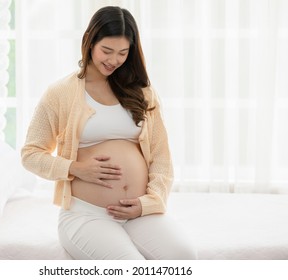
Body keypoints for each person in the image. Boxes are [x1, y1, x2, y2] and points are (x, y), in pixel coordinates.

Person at [21, 6, 197, 260]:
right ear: (89, 42)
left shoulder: (143, 92)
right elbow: (31, 154)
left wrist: (147, 203)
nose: (114, 60)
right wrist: (76, 168)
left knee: (184, 257)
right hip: (87, 214)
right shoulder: (60, 93)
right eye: (107, 50)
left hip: (138, 213)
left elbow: (161, 157)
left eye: (123, 53)